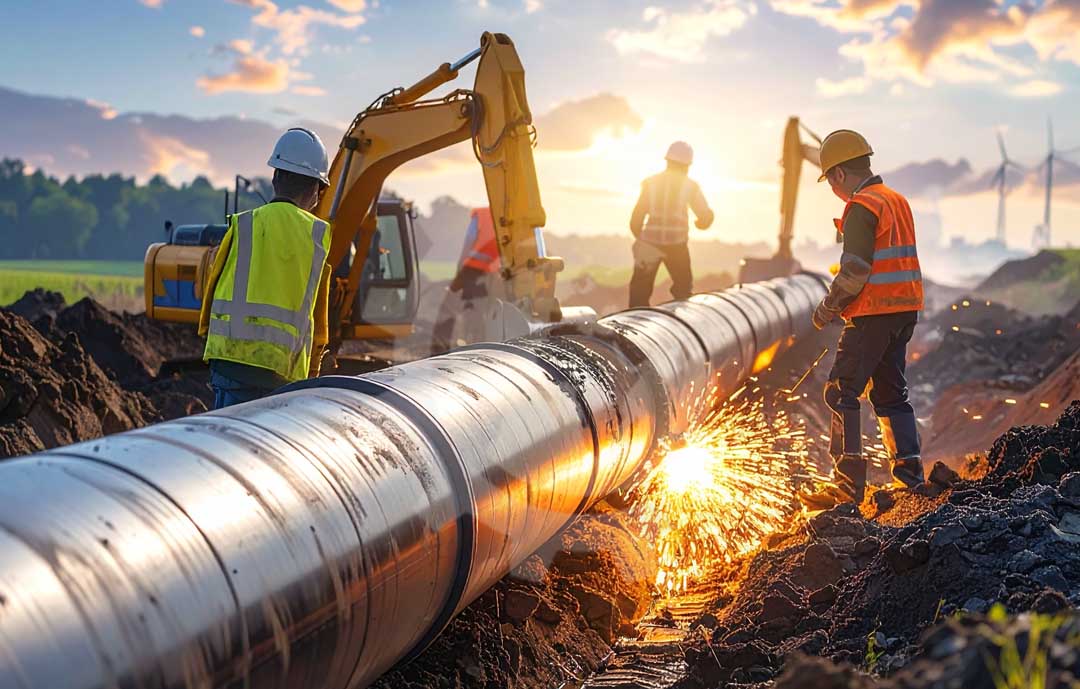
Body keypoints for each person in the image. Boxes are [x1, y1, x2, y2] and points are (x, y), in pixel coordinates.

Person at [801, 129, 925, 511]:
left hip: (872, 314)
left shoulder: (862, 206)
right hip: (903, 311)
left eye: (830, 182)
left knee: (841, 391)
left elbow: (853, 271)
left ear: (838, 174)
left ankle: (846, 486)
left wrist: (828, 308)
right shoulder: (896, 200)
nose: (833, 190)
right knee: (891, 395)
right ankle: (910, 480)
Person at [198, 127, 333, 409]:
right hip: (282, 371)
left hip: (230, 364)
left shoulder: (242, 223)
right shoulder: (318, 235)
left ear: (275, 177)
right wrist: (313, 372)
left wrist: (209, 339)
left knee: (226, 448)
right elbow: (318, 316)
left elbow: (212, 287)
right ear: (317, 190)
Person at [628, 141, 714, 308]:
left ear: (667, 160)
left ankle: (634, 325)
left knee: (639, 293)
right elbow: (704, 216)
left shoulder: (650, 183)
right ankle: (680, 324)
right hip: (677, 246)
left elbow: (636, 217)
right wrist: (702, 222)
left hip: (649, 244)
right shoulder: (691, 186)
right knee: (683, 290)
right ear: (688, 164)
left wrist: (641, 240)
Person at [433, 207, 501, 347]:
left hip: (472, 268)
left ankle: (439, 345)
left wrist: (460, 268)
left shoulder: (482, 215)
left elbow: (470, 239)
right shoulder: (509, 217)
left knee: (450, 305)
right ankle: (478, 343)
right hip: (494, 273)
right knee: (481, 311)